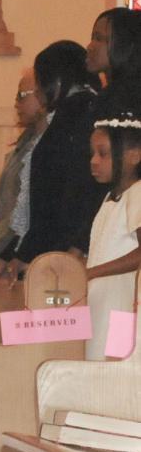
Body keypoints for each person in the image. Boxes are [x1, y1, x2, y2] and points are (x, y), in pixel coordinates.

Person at [14, 40, 104, 265]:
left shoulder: (74, 115)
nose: (37, 90)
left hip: (63, 246)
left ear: (57, 80)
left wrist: (26, 253)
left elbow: (56, 192)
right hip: (61, 242)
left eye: (40, 81)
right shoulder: (77, 110)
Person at [0, 69, 47, 275]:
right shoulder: (26, 142)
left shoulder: (44, 148)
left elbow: (24, 210)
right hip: (2, 254)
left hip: (18, 256)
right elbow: (5, 203)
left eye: (22, 96)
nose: (16, 103)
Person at [84, 107, 141, 360]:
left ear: (134, 155)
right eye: (92, 153)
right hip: (101, 307)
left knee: (113, 384)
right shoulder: (110, 198)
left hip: (122, 315)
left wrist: (91, 273)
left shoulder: (138, 193)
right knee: (96, 375)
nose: (94, 161)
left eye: (103, 154)